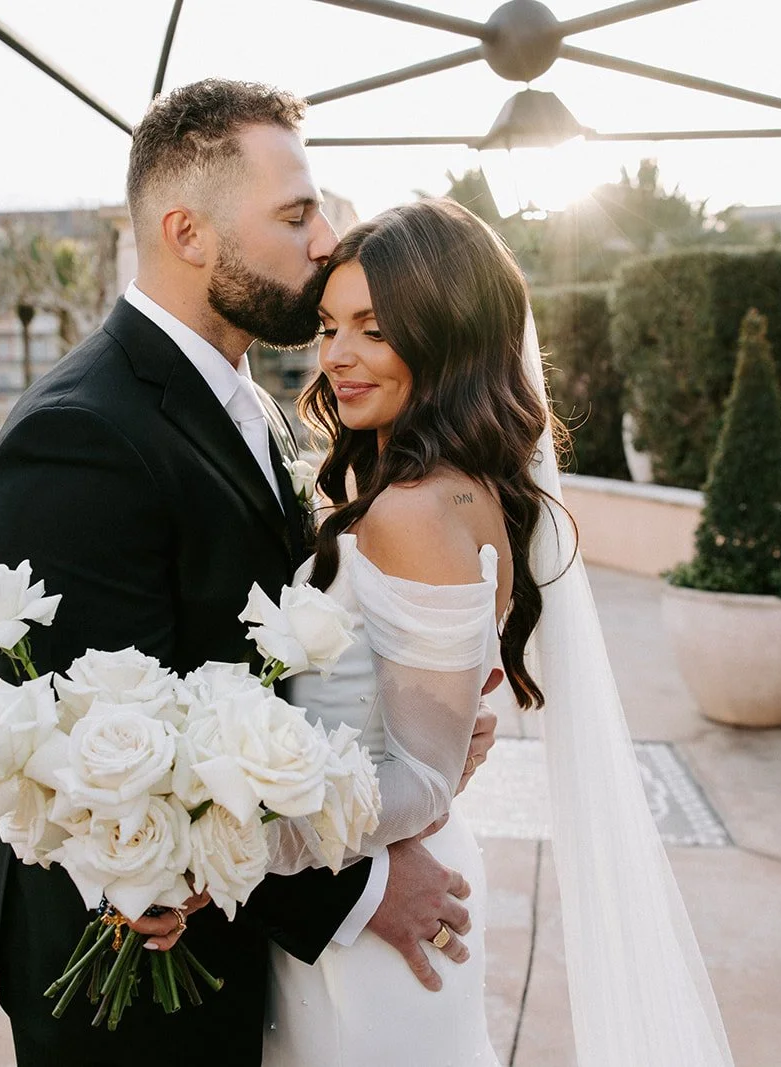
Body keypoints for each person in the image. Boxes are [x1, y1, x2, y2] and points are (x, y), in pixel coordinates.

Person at [0, 79, 496, 1067]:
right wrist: (363, 884)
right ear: (189, 232)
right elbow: (123, 769)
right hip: (137, 985)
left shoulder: (263, 411)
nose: (325, 240)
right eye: (295, 215)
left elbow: (276, 669)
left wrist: (410, 726)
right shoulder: (80, 438)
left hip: (245, 957)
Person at [260, 198, 738, 1067]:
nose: (337, 356)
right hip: (386, 885)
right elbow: (429, 750)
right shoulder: (456, 487)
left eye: (374, 329)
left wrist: (233, 833)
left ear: (447, 338)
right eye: (330, 326)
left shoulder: (413, 510)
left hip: (379, 921)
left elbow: (421, 782)